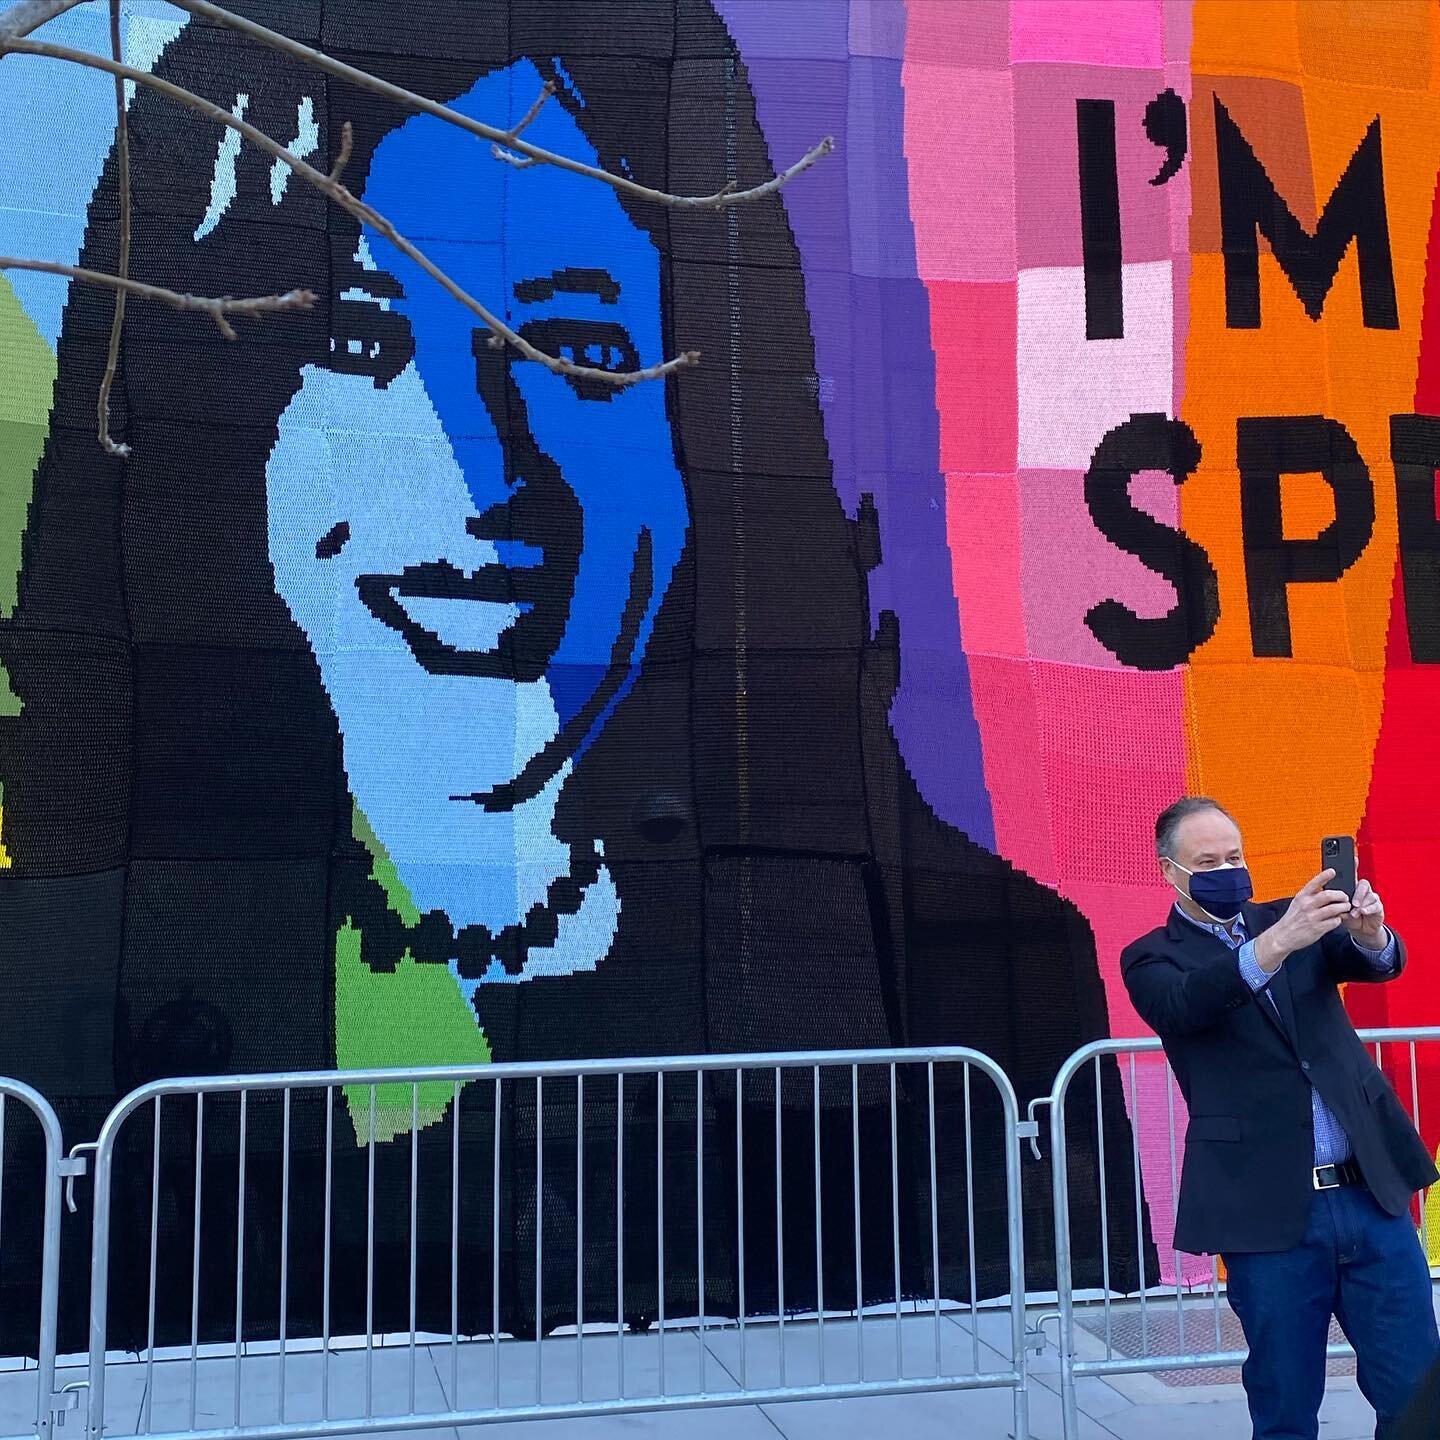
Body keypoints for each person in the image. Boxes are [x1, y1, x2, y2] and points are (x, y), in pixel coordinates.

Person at [0, 0, 1142, 1350]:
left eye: (580, 352)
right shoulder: (64, 953)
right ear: (209, 449)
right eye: (368, 347)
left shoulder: (979, 962)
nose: (489, 473)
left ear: (708, 430)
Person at [1123, 796, 1439, 1440]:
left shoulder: (1293, 922)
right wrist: (1277, 941)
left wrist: (1369, 930)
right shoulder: (1153, 956)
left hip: (1369, 1196)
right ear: (1170, 873)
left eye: (1235, 856)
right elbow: (1188, 1004)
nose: (1227, 870)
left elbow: (1379, 963)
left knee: (1417, 1396)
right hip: (1268, 1215)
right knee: (1285, 1405)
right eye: (1207, 861)